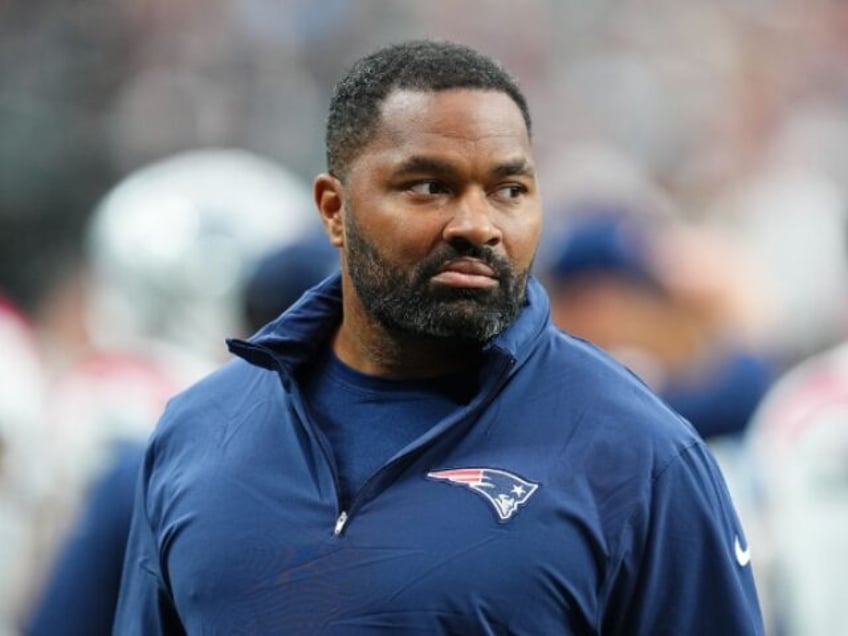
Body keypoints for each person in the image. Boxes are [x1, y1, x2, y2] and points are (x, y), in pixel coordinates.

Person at [114, 39, 764, 634]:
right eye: (430, 186)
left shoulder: (639, 453)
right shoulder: (196, 432)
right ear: (334, 211)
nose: (478, 224)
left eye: (509, 189)